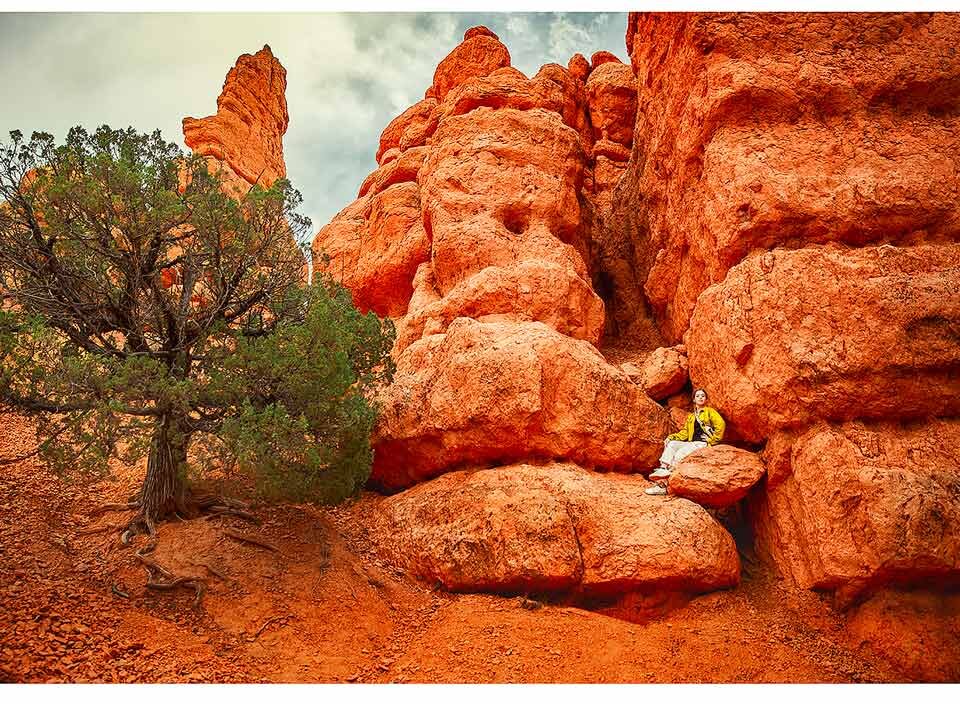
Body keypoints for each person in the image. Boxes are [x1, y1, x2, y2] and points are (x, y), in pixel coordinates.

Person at [644, 388, 725, 496]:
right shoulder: (692, 417)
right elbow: (685, 433)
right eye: (698, 396)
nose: (700, 397)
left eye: (703, 396)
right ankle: (663, 468)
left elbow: (721, 425)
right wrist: (672, 437)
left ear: (706, 400)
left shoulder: (710, 412)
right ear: (694, 400)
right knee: (672, 445)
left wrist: (712, 440)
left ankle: (664, 485)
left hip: (702, 443)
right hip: (692, 443)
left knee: (680, 453)